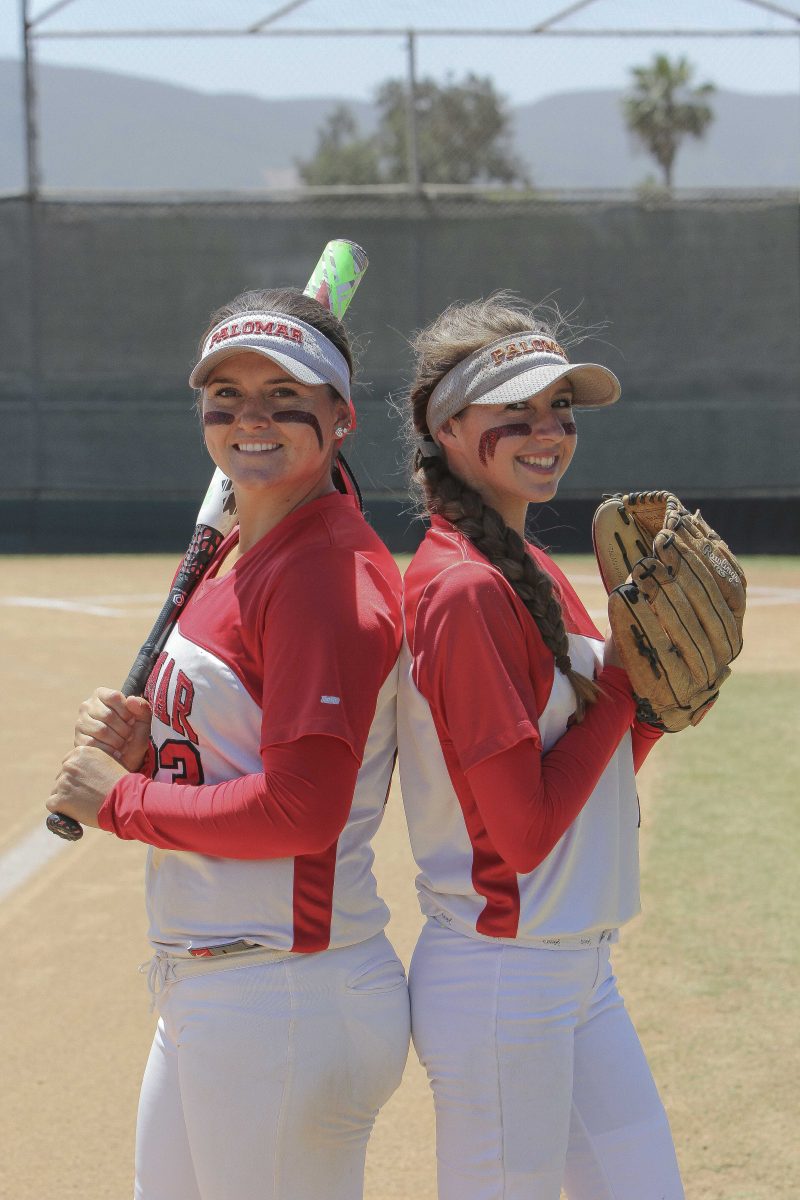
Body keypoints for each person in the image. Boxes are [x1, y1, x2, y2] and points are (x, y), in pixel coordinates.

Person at [48, 288, 411, 1200]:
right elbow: (239, 738)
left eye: (285, 396)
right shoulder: (239, 550)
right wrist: (152, 743)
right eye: (227, 394)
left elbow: (302, 807)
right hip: (217, 983)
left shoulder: (323, 574)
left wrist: (120, 801)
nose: (252, 417)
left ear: (341, 419)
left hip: (287, 992)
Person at [396, 294, 684, 1199]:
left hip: (573, 964)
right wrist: (629, 685)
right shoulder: (465, 590)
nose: (547, 430)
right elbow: (523, 835)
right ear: (446, 428)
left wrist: (650, 715)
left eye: (559, 409)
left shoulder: (527, 567)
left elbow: (582, 779)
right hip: (503, 979)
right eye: (513, 413)